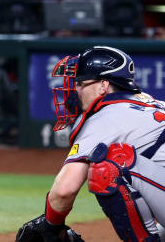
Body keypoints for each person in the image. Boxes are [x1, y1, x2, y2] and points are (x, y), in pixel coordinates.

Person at [16, 46, 165, 242]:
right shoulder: (155, 103)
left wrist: (50, 225)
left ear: (103, 85)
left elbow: (64, 191)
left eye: (81, 82)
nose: (75, 89)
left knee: (109, 167)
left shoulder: (106, 116)